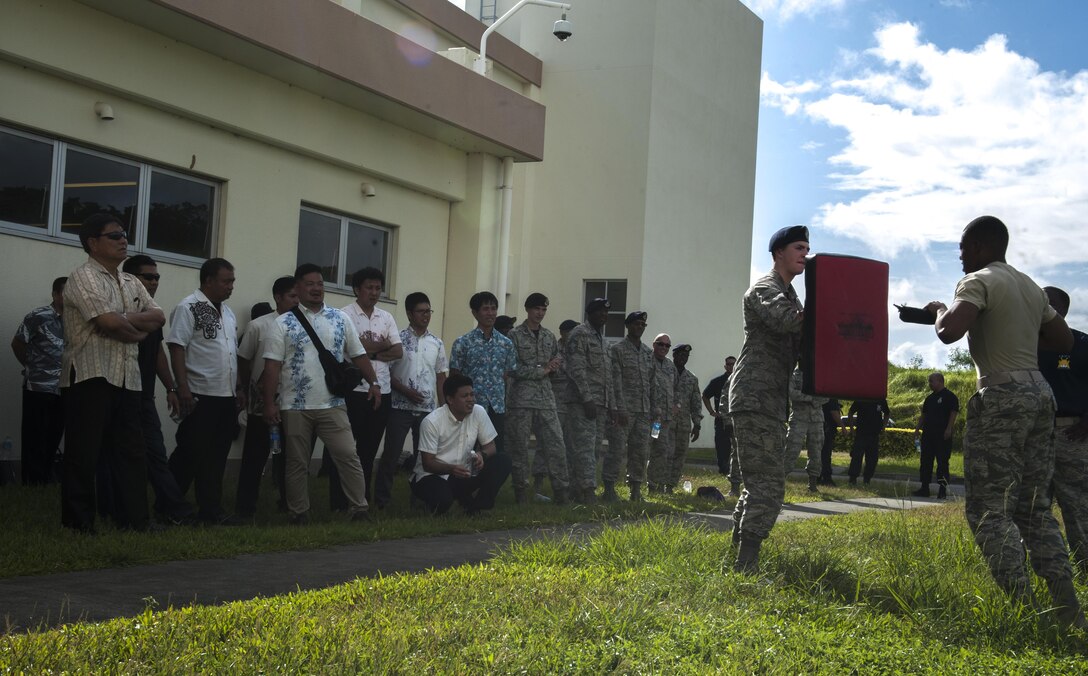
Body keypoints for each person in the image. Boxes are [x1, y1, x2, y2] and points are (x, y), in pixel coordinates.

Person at [927, 215, 1084, 628]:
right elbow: (1064, 341)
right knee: (1035, 509)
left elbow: (949, 332)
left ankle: (1024, 610)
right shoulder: (1030, 286)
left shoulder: (978, 280)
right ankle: (1067, 610)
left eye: (962, 249)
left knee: (988, 510)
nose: (960, 257)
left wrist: (940, 310)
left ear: (979, 246)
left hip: (1001, 397)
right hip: (1040, 396)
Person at [61, 213, 163, 532]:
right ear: (93, 243)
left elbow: (158, 316)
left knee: (132, 452)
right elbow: (107, 323)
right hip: (90, 376)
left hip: (127, 378)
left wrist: (122, 319)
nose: (123, 240)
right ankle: (79, 524)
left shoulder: (131, 280)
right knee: (84, 453)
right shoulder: (82, 277)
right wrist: (134, 327)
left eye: (124, 234)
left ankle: (134, 521)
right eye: (114, 236)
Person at [262, 264, 381, 525]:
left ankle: (359, 509)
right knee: (296, 462)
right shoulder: (283, 323)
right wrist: (269, 403)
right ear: (298, 288)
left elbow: (359, 354)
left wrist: (374, 383)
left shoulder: (340, 319)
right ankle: (298, 512)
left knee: (348, 455)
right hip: (295, 404)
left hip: (333, 402)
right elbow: (272, 366)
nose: (316, 289)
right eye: (310, 284)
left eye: (320, 284)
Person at [729, 225, 807, 573]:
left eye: (807, 248)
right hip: (754, 395)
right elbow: (787, 321)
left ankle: (738, 553)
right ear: (779, 253)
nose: (805, 254)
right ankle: (746, 564)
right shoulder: (766, 288)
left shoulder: (792, 295)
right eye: (799, 248)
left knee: (757, 483)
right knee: (770, 487)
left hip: (772, 400)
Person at [166, 258, 241, 525]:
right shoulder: (189, 307)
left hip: (225, 396)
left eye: (232, 281)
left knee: (216, 456)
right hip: (200, 393)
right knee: (190, 452)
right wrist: (181, 387)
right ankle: (168, 508)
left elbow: (230, 354)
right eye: (226, 281)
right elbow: (177, 347)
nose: (231, 286)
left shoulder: (228, 313)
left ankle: (211, 510)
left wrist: (238, 389)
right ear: (208, 280)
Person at [120, 255, 194, 524]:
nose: (153, 282)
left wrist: (171, 387)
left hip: (144, 394)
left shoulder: (153, 311)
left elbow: (157, 353)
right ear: (129, 279)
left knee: (155, 452)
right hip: (118, 394)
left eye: (156, 277)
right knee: (124, 457)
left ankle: (173, 508)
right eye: (147, 276)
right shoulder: (119, 309)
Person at [331, 267, 402, 509]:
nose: (374, 293)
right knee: (346, 450)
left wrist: (363, 348)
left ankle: (362, 500)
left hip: (381, 392)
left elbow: (398, 351)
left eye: (377, 288)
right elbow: (344, 348)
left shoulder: (386, 317)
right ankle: (340, 502)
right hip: (353, 391)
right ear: (357, 289)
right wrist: (379, 347)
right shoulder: (343, 315)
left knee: (369, 450)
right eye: (369, 288)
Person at [234, 277, 299, 518]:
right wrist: (245, 389)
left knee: (291, 459)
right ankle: (245, 507)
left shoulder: (303, 326)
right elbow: (244, 359)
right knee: (255, 455)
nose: (297, 301)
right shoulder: (259, 326)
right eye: (292, 296)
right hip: (263, 403)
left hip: (293, 402)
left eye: (298, 296)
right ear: (278, 298)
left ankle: (289, 504)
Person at [380, 292, 449, 509]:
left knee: (425, 458)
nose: (426, 315)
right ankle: (382, 500)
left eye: (429, 311)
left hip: (428, 411)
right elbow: (385, 373)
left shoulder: (436, 343)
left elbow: (441, 377)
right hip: (400, 407)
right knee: (392, 455)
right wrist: (405, 390)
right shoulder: (396, 340)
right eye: (421, 311)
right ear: (409, 313)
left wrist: (443, 408)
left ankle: (421, 499)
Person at [1038, 286, 1088, 577]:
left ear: (1063, 310)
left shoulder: (1081, 344)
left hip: (1072, 435)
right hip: (1035, 435)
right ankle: (1046, 567)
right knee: (1031, 503)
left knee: (1078, 505)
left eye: (1049, 302)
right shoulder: (1025, 342)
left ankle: (1084, 568)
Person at [410, 373, 513, 515]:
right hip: (431, 476)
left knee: (503, 461)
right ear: (450, 399)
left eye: (472, 394)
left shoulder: (478, 412)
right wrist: (451, 469)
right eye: (465, 396)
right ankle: (432, 504)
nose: (471, 400)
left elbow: (491, 447)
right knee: (443, 501)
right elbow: (428, 463)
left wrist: (481, 455)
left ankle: (477, 508)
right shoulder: (432, 422)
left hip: (463, 473)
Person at [505, 293, 569, 503]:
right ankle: (521, 493)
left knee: (556, 444)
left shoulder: (549, 336)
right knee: (520, 448)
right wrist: (540, 371)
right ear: (527, 309)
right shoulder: (514, 336)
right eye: (536, 309)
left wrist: (554, 367)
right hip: (521, 400)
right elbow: (511, 368)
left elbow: (556, 361)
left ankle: (561, 491)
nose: (540, 313)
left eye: (543, 310)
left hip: (545, 399)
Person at [11, 277, 65, 485]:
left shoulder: (77, 320)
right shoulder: (38, 316)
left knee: (54, 433)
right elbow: (17, 343)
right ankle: (30, 481)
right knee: (34, 434)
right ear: (54, 294)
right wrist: (31, 367)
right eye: (63, 292)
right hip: (37, 386)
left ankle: (45, 476)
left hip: (63, 388)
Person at [449, 292, 516, 455]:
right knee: (466, 450)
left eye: (493, 309)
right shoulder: (462, 343)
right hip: (469, 406)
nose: (491, 313)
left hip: (496, 407)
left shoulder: (506, 343)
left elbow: (507, 373)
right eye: (485, 309)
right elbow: (455, 375)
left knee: (495, 452)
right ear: (475, 312)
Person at [564, 297, 615, 504]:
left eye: (606, 312)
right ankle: (588, 492)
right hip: (582, 403)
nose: (604, 315)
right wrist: (587, 399)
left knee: (593, 450)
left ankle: (577, 491)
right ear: (589, 313)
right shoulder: (580, 334)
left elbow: (607, 375)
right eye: (600, 311)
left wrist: (610, 404)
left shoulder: (602, 340)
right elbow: (576, 369)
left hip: (600, 404)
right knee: (583, 448)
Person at [604, 311, 655, 502]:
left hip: (643, 411)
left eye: (643, 325)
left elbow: (651, 383)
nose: (639, 327)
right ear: (628, 326)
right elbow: (614, 381)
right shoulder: (617, 350)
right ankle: (609, 489)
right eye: (636, 324)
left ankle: (635, 490)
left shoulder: (648, 353)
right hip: (623, 410)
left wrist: (653, 408)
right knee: (617, 450)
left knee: (641, 452)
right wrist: (618, 409)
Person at [532, 318, 579, 497]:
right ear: (563, 333)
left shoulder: (577, 351)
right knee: (547, 443)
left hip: (572, 403)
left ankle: (565, 485)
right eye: (572, 332)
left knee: (568, 444)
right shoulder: (553, 349)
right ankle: (537, 483)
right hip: (554, 402)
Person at [912, 372, 959, 499]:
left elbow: (953, 413)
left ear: (939, 381)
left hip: (942, 435)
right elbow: (924, 415)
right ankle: (924, 488)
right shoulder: (929, 398)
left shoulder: (950, 396)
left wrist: (949, 428)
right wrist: (917, 429)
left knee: (942, 462)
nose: (929, 384)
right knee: (925, 461)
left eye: (931, 381)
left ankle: (942, 490)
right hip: (928, 435)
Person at [703, 355, 741, 495]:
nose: (731, 366)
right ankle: (724, 471)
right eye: (729, 364)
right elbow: (705, 395)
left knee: (736, 450)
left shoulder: (741, 381)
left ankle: (734, 475)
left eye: (733, 364)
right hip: (722, 421)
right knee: (722, 448)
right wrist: (712, 412)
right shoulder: (718, 381)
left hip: (737, 422)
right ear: (725, 366)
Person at [785, 365, 827, 493]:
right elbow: (791, 393)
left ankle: (812, 484)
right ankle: (781, 481)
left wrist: (809, 398)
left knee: (816, 451)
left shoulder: (819, 374)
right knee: (791, 449)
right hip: (799, 418)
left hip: (816, 419)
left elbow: (827, 394)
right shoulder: (792, 374)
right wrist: (811, 398)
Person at [646, 333, 679, 492]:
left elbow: (677, 389)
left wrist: (676, 405)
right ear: (654, 344)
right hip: (649, 417)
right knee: (645, 450)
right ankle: (636, 485)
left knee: (660, 451)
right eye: (661, 344)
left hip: (663, 421)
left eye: (667, 346)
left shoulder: (670, 366)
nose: (663, 348)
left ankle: (654, 485)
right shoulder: (646, 360)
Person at [667, 344, 703, 490]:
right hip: (665, 422)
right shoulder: (665, 372)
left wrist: (697, 424)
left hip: (683, 425)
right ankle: (656, 484)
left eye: (686, 356)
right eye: (681, 355)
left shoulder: (692, 378)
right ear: (674, 355)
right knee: (664, 453)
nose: (683, 358)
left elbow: (696, 403)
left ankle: (670, 486)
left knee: (679, 455)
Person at [846, 398, 888, 485]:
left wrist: (883, 427)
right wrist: (851, 428)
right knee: (856, 457)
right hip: (861, 433)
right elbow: (850, 412)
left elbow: (887, 413)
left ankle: (867, 479)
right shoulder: (862, 398)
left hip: (874, 434)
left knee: (872, 459)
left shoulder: (880, 399)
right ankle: (853, 478)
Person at [818, 399, 843, 485]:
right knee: (826, 454)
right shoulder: (832, 398)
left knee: (820, 454)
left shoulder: (824, 396)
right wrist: (843, 427)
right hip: (827, 429)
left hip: (822, 427)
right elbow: (834, 413)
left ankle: (818, 476)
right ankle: (826, 477)